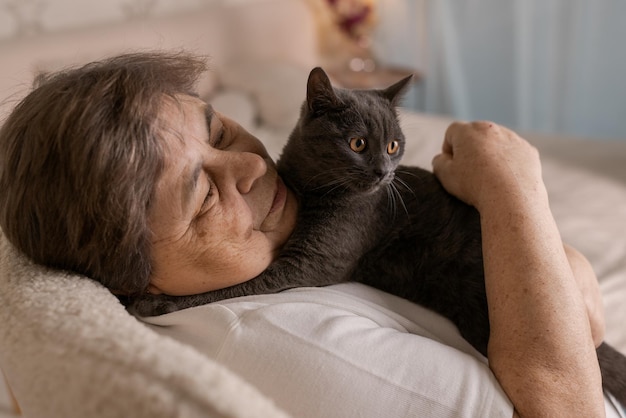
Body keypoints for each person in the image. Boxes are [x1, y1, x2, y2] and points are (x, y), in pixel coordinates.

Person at [0, 51, 615, 417]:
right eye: (204, 194)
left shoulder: (277, 238)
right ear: (133, 273)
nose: (251, 165)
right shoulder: (278, 345)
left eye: (218, 133)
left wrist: (559, 266)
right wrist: (516, 186)